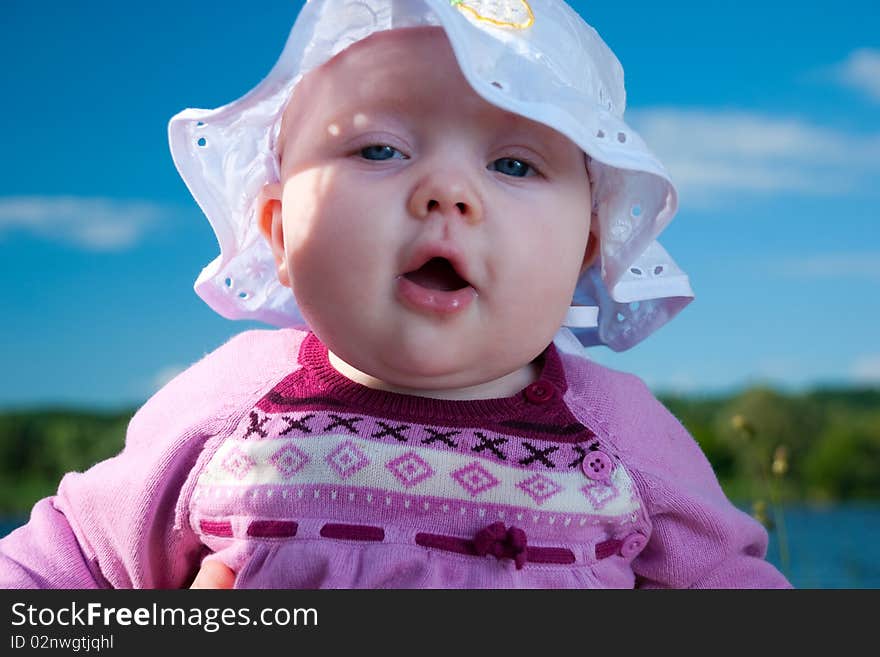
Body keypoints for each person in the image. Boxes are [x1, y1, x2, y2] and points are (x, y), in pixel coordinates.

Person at [0, 0, 790, 588]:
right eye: (379, 148)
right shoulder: (233, 413)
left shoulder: (619, 437)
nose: (447, 192)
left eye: (515, 165)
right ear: (277, 230)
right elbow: (45, 580)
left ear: (587, 243)